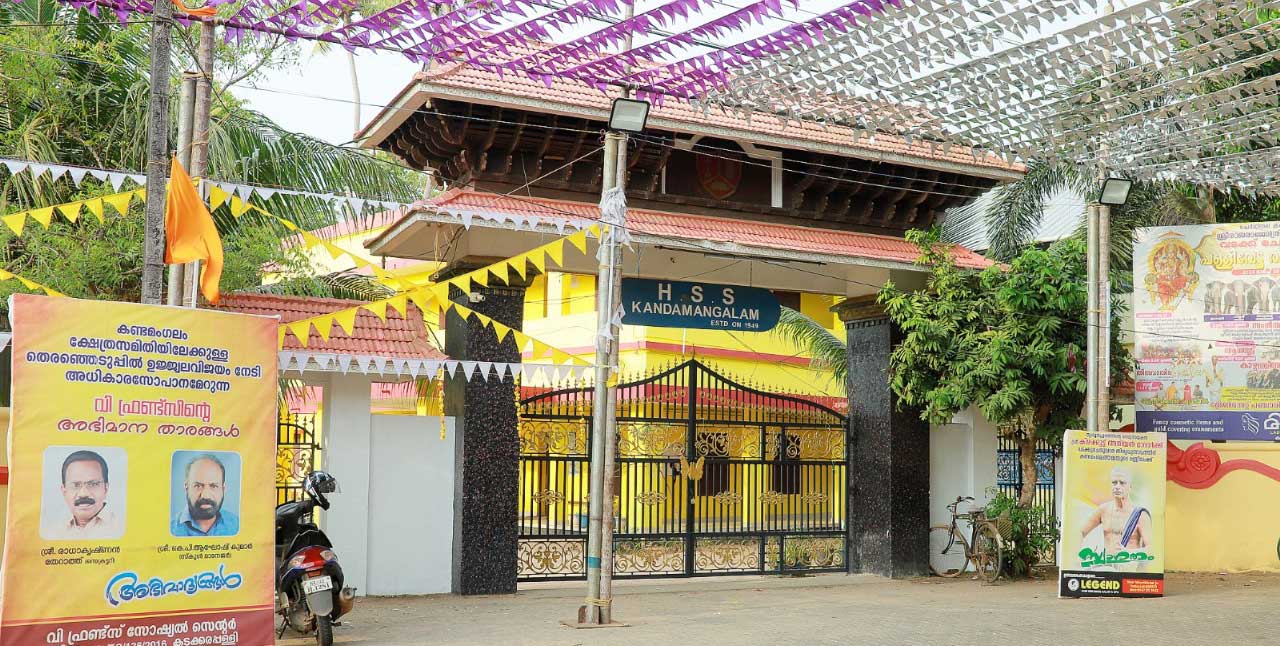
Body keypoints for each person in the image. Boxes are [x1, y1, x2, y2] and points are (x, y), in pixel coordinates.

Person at [44, 450, 124, 540]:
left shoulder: (122, 529)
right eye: (75, 485)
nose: (83, 494)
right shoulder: (52, 533)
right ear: (64, 491)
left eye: (93, 484)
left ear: (106, 488)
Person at [1079, 468, 1152, 561]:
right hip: (1107, 564)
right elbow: (1080, 532)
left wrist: (1128, 553)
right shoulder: (1103, 509)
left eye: (1122, 483)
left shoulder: (1140, 515)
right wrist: (1078, 555)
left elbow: (1152, 549)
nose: (1117, 486)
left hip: (1129, 565)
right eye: (1114, 483)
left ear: (1130, 486)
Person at [172, 454, 239, 537]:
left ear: (223, 489)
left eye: (213, 486)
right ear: (187, 487)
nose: (205, 495)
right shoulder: (170, 530)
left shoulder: (237, 525)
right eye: (198, 486)